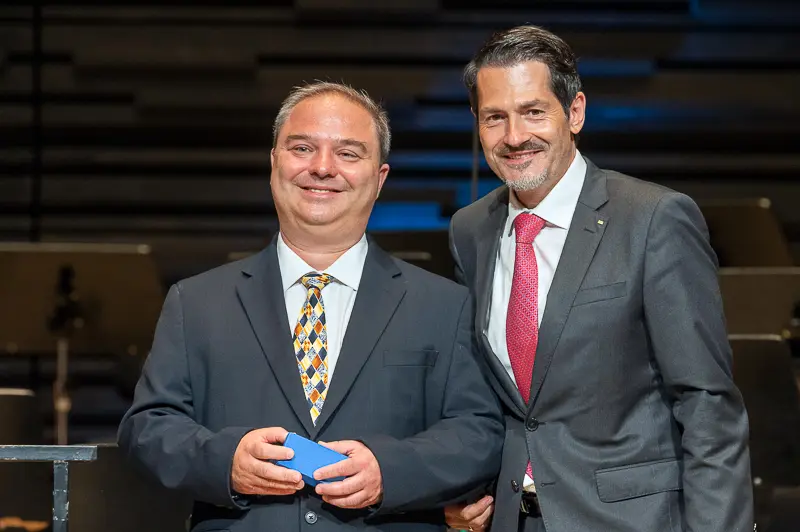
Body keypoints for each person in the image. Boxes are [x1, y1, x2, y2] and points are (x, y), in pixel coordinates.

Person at [118, 81, 504, 532]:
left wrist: (390, 470)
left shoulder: (444, 304)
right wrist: (226, 462)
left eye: (348, 153)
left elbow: (479, 432)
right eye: (302, 148)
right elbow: (146, 430)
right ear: (274, 163)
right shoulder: (197, 302)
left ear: (379, 179)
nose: (322, 168)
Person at [444, 25, 754, 532]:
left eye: (533, 111)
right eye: (494, 117)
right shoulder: (469, 230)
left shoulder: (655, 218)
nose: (515, 136)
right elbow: (486, 399)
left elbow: (707, 404)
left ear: (576, 112)